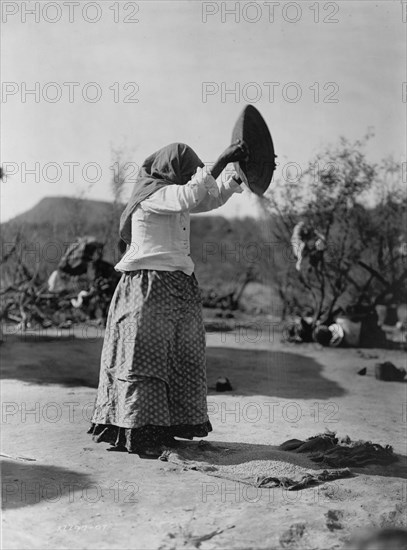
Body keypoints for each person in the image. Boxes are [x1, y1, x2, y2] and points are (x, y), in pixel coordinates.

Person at [88, 141, 248, 456]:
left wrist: (234, 180)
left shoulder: (175, 200)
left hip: (177, 285)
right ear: (171, 171)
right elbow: (191, 194)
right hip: (149, 286)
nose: (193, 177)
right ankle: (140, 433)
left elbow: (204, 200)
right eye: (188, 171)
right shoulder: (153, 197)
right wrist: (222, 160)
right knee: (145, 360)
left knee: (177, 358)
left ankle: (166, 427)